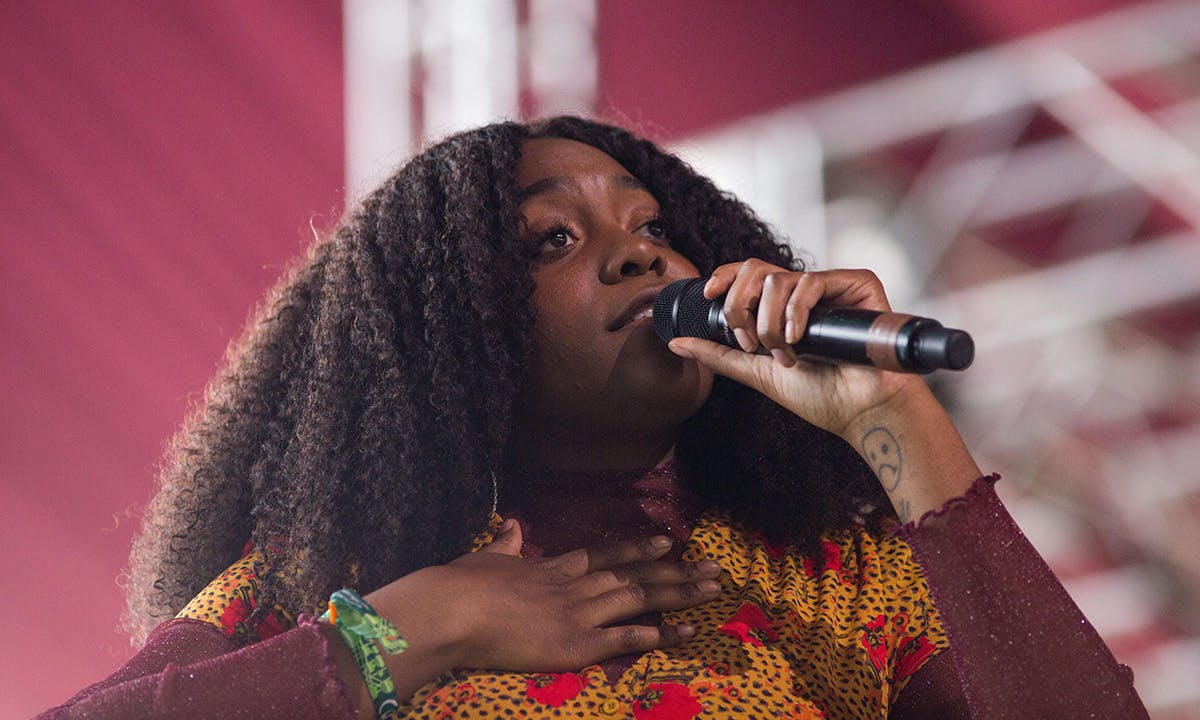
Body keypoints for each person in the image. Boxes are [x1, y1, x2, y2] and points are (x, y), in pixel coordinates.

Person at [37, 116, 1148, 719]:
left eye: (656, 225)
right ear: (452, 335)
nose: (642, 253)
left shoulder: (825, 575)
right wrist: (425, 631)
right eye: (550, 240)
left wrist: (898, 422)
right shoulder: (330, 579)